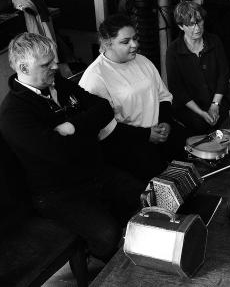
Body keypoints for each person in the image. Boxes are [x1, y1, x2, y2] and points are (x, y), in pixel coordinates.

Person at [0, 33, 144, 262]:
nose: (56, 66)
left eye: (53, 60)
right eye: (47, 64)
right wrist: (88, 131)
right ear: (23, 67)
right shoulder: (14, 114)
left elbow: (104, 109)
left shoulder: (59, 83)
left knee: (144, 197)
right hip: (58, 192)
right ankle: (103, 264)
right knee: (108, 236)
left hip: (94, 171)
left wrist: (72, 126)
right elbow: (58, 154)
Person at [79, 14, 186, 184]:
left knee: (185, 162)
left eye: (135, 38)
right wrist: (146, 135)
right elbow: (104, 128)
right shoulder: (95, 78)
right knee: (160, 181)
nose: (134, 45)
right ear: (107, 43)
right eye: (125, 41)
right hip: (126, 144)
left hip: (157, 132)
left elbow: (162, 95)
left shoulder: (142, 61)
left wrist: (165, 121)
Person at [166, 1, 230, 135]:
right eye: (190, 24)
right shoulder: (173, 50)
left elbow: (223, 75)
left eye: (199, 21)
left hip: (215, 100)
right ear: (181, 26)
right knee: (199, 125)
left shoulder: (215, 41)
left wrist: (215, 105)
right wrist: (201, 113)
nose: (197, 28)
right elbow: (177, 89)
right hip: (190, 106)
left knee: (228, 122)